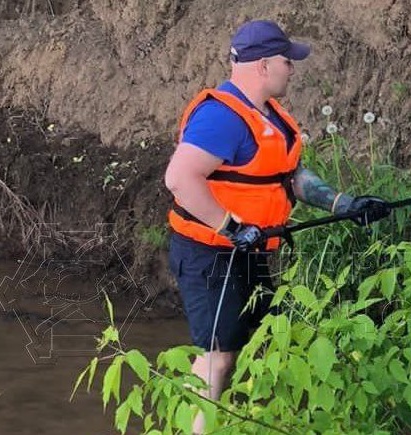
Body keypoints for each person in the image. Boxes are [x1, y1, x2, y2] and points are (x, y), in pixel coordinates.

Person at [163, 19, 389, 432]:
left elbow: (287, 175)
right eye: (287, 60)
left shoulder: (269, 115)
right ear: (263, 64)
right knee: (218, 353)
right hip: (210, 255)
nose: (293, 68)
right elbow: (179, 179)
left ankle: (247, 423)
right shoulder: (222, 118)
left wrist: (346, 204)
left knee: (258, 344)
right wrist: (232, 228)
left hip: (247, 252)